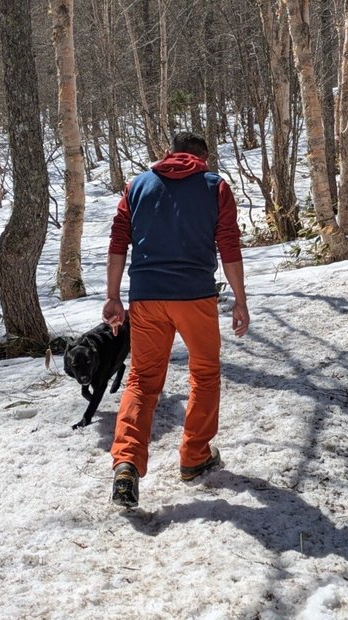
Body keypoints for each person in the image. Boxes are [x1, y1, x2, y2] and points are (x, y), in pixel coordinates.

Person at [102, 131, 249, 508]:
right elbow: (228, 246)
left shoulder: (137, 185)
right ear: (203, 159)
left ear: (168, 153)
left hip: (146, 296)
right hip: (194, 296)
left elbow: (119, 241)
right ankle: (195, 456)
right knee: (204, 372)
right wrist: (240, 301)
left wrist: (113, 296)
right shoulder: (215, 187)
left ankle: (126, 463)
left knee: (142, 379)